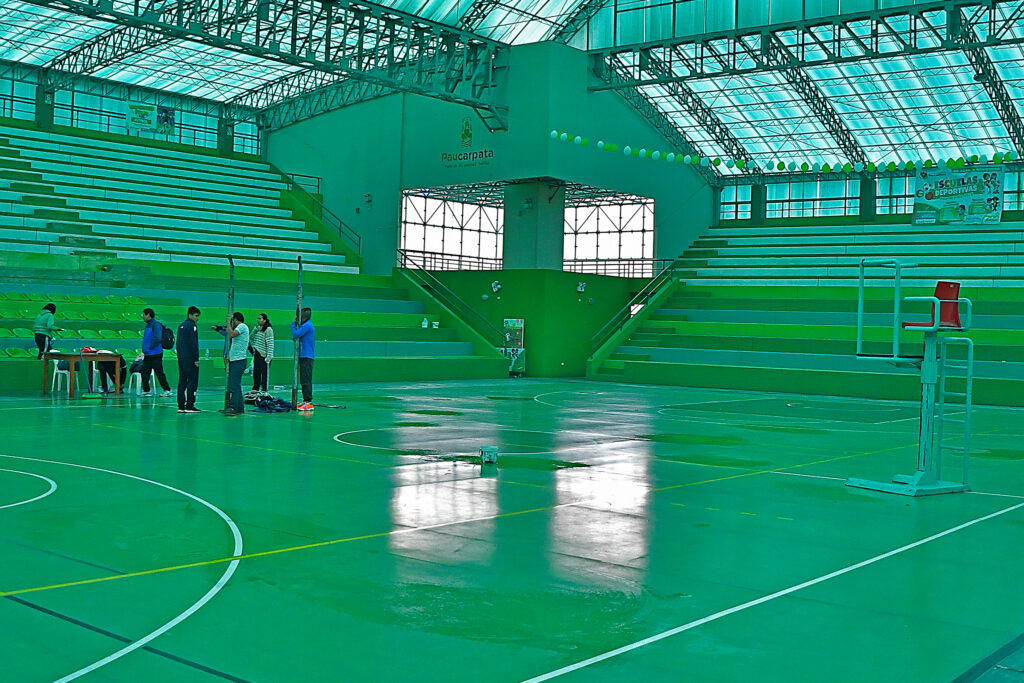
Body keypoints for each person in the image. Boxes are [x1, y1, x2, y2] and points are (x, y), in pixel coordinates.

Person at [221, 311, 249, 415]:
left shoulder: (242, 326)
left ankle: (233, 407)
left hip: (239, 361)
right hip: (235, 360)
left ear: (235, 320)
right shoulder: (241, 328)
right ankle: (240, 407)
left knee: (234, 385)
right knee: (235, 384)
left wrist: (228, 323)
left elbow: (231, 334)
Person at [140, 308, 172, 397]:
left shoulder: (156, 325)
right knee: (144, 372)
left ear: (148, 315)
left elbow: (157, 338)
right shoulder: (147, 326)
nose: (142, 317)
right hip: (148, 354)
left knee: (159, 372)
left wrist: (150, 347)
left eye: (143, 315)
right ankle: (146, 390)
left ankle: (167, 390)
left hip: (155, 354)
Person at [176, 306, 201, 413]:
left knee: (182, 380)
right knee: (192, 381)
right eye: (196, 316)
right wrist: (196, 358)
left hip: (181, 358)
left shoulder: (181, 326)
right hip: (190, 358)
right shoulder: (192, 326)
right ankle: (190, 405)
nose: (197, 318)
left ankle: (181, 405)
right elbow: (193, 343)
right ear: (190, 315)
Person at [291, 307, 315, 412]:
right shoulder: (305, 326)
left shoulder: (307, 326)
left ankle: (308, 402)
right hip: (303, 355)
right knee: (303, 379)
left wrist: (293, 324)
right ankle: (305, 401)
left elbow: (295, 334)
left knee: (306, 380)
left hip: (307, 356)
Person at [250, 313, 275, 393]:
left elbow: (270, 344)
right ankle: (255, 388)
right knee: (256, 372)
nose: (258, 320)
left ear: (264, 320)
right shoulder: (258, 329)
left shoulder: (268, 329)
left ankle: (264, 390)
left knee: (264, 375)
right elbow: (251, 338)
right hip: (257, 354)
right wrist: (255, 330)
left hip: (264, 356)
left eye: (260, 318)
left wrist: (269, 357)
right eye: (258, 318)